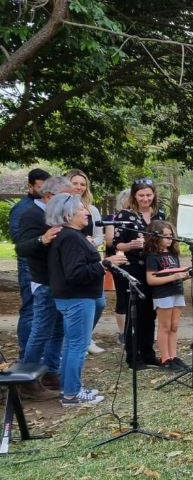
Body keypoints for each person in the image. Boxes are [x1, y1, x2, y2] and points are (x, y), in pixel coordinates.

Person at [47, 193, 127, 407]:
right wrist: (106, 263)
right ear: (68, 213)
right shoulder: (70, 237)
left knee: (72, 345)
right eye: (81, 209)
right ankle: (72, 394)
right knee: (77, 346)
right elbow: (75, 273)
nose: (86, 212)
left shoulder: (70, 235)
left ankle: (69, 388)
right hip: (77, 298)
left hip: (73, 298)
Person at [16, 176, 74, 394]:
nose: (71, 200)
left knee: (58, 329)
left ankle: (51, 372)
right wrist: (43, 239)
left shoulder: (58, 213)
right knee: (41, 329)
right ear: (50, 196)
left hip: (59, 280)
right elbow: (22, 248)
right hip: (44, 281)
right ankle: (26, 379)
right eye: (66, 196)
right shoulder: (31, 214)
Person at [112, 178, 165, 369]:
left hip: (153, 266)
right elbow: (116, 244)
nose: (145, 199)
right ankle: (133, 356)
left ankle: (148, 353)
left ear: (154, 195)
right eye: (141, 195)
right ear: (134, 195)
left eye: (149, 195)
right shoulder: (125, 215)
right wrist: (131, 245)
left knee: (150, 313)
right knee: (134, 312)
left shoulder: (159, 213)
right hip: (132, 267)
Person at [10, 167, 51, 359]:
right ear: (30, 186)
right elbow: (20, 239)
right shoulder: (23, 209)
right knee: (30, 308)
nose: (45, 193)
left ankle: (40, 355)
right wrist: (43, 238)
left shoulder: (46, 206)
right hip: (29, 264)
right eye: (41, 188)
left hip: (45, 264)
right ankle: (26, 353)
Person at [144, 220, 192, 371]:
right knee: (164, 326)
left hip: (177, 292)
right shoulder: (153, 256)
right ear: (155, 237)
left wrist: (184, 275)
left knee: (174, 326)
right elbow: (151, 279)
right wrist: (174, 277)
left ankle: (173, 356)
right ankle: (165, 358)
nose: (170, 239)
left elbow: (175, 273)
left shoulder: (173, 254)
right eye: (165, 236)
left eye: (171, 235)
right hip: (163, 294)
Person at [104, 189, 131, 344]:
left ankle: (135, 329)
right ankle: (122, 332)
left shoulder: (137, 218)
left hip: (135, 261)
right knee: (122, 296)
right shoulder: (112, 218)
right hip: (118, 261)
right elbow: (109, 240)